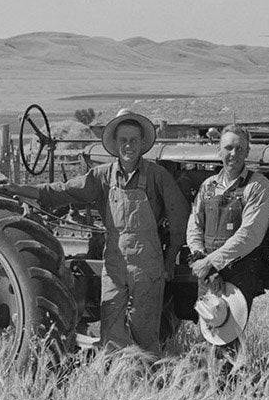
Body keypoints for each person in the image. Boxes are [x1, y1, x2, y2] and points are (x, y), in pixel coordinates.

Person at [11, 109, 188, 357]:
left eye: (134, 140)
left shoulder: (157, 177)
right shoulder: (103, 176)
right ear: (115, 144)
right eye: (123, 140)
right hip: (114, 264)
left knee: (144, 330)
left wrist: (170, 260)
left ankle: (148, 381)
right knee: (111, 328)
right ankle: (118, 379)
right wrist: (23, 189)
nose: (128, 146)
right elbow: (65, 191)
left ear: (142, 143)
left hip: (148, 266)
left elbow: (179, 216)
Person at [186, 125, 269, 362]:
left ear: (247, 152)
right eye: (228, 147)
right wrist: (198, 258)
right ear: (218, 150)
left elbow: (250, 235)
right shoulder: (208, 186)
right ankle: (211, 386)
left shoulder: (257, 186)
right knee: (208, 329)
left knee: (231, 335)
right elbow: (194, 225)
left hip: (239, 273)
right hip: (206, 272)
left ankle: (232, 387)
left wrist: (209, 263)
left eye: (239, 148)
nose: (233, 154)